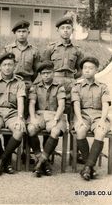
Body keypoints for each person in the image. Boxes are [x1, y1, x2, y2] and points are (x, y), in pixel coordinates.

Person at [41, 16, 84, 162]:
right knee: (51, 114)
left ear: (72, 31)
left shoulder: (77, 50)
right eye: (63, 28)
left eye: (68, 28)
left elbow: (80, 69)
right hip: (55, 81)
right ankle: (47, 154)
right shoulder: (50, 47)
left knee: (73, 116)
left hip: (71, 83)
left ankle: (74, 152)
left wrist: (71, 79)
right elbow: (45, 68)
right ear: (58, 30)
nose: (66, 31)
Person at [2, 20, 40, 166]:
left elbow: (37, 70)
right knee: (10, 114)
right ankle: (8, 150)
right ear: (15, 34)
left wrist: (29, 83)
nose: (22, 34)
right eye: (19, 31)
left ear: (28, 33)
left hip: (27, 83)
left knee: (25, 118)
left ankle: (25, 152)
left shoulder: (34, 51)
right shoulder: (8, 48)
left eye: (24, 31)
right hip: (11, 84)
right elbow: (4, 66)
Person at [0, 53, 26, 175]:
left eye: (10, 65)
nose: (7, 67)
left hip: (12, 113)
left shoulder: (20, 82)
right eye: (5, 65)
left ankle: (2, 161)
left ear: (14, 66)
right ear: (0, 67)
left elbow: (20, 102)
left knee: (19, 130)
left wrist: (19, 118)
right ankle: (6, 160)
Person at [71, 57, 111, 181]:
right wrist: (79, 119)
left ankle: (87, 167)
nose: (87, 70)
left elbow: (105, 105)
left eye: (91, 68)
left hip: (99, 115)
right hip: (82, 115)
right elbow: (76, 104)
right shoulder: (76, 86)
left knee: (100, 131)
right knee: (81, 130)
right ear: (82, 70)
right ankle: (90, 167)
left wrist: (102, 120)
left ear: (96, 70)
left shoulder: (103, 87)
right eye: (85, 68)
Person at [28, 61, 67, 177]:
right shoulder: (35, 86)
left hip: (55, 114)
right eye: (43, 73)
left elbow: (62, 105)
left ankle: (39, 163)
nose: (46, 75)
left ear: (53, 73)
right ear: (40, 74)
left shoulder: (59, 86)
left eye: (49, 73)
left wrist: (56, 118)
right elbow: (31, 103)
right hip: (39, 114)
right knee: (30, 129)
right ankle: (42, 160)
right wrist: (33, 117)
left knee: (55, 131)